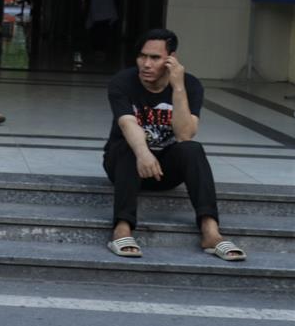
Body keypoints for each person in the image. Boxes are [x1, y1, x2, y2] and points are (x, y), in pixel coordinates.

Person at [103, 28, 245, 261]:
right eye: (142, 56)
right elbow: (127, 123)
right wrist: (143, 152)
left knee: (193, 149)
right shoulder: (123, 82)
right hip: (124, 164)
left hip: (164, 171)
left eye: (155, 58)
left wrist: (178, 87)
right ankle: (122, 229)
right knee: (129, 145)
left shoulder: (191, 85)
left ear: (171, 59)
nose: (146, 64)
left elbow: (185, 134)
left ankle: (211, 232)